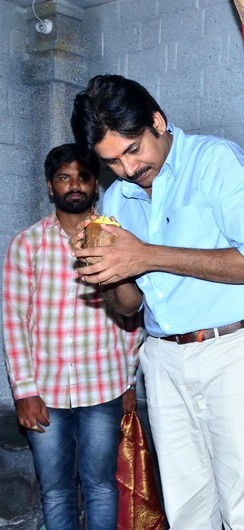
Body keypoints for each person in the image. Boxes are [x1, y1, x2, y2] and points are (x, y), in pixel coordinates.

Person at [70, 75, 244, 529]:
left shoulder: (214, 161)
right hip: (163, 359)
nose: (128, 169)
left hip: (234, 350)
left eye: (133, 150)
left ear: (158, 121)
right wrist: (105, 270)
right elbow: (129, 306)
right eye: (112, 161)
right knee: (186, 510)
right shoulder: (117, 198)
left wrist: (144, 254)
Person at [3, 144, 140, 529]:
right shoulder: (26, 245)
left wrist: (128, 380)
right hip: (45, 392)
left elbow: (132, 317)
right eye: (64, 177)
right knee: (56, 489)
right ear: (50, 187)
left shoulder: (116, 239)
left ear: (95, 184)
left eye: (83, 176)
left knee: (100, 485)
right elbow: (14, 320)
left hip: (104, 386)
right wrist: (24, 391)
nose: (74, 185)